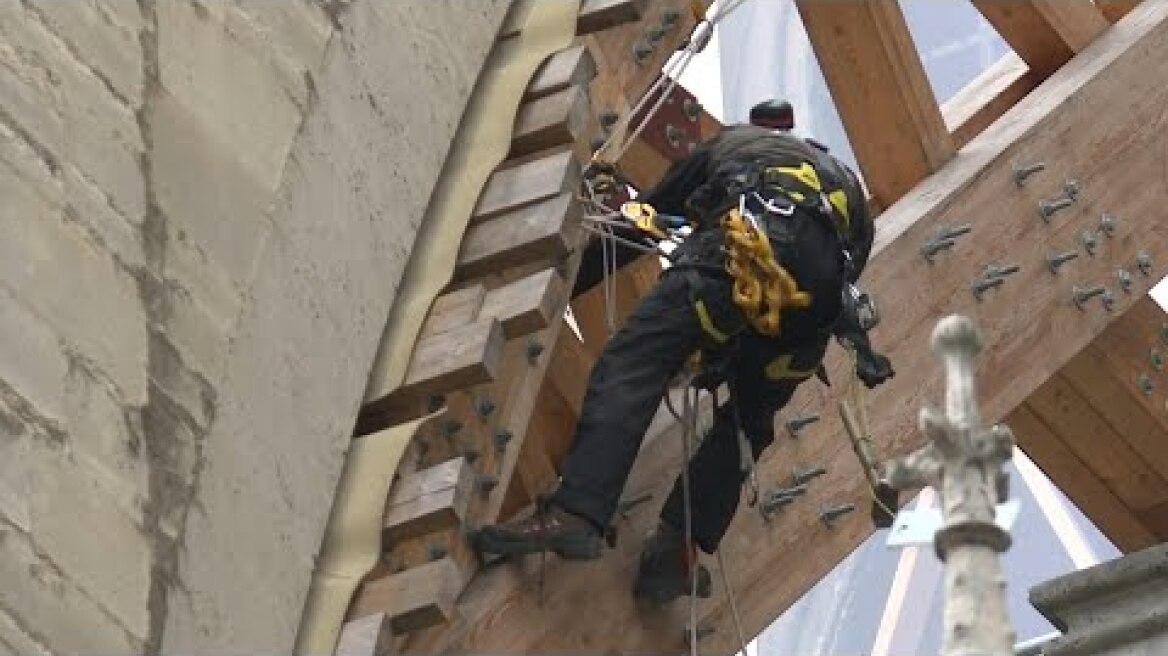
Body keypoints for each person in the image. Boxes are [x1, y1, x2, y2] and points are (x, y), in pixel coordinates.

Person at [475, 100, 893, 603]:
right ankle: (676, 551)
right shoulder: (845, 194)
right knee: (746, 423)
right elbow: (840, 273)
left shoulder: (734, 144)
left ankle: (578, 511)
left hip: (743, 252)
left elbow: (641, 225)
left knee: (637, 359)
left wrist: (558, 287)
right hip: (811, 315)